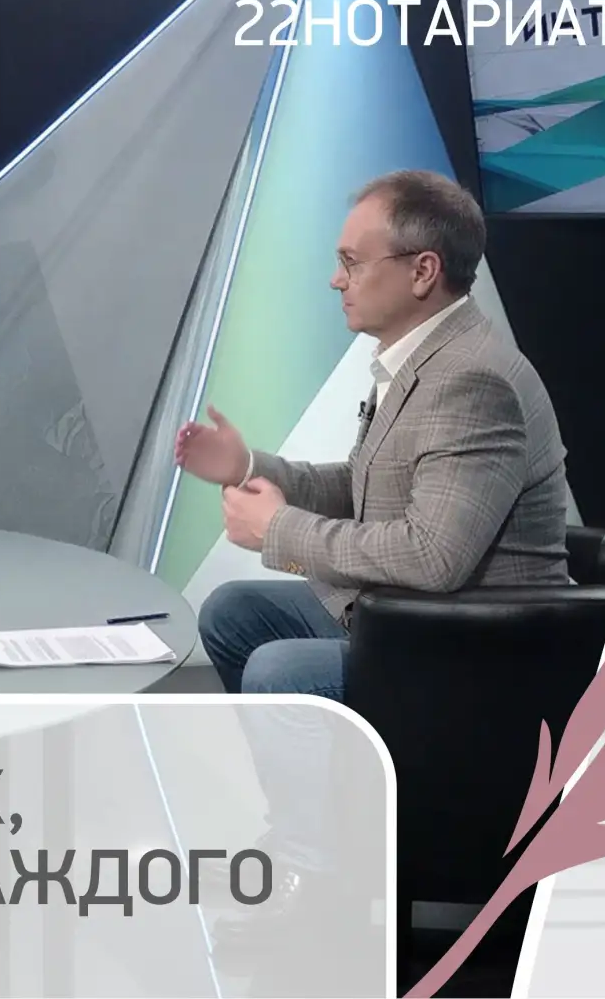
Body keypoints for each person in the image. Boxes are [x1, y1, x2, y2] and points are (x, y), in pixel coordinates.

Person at [176, 169, 571, 697]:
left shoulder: (473, 380)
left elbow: (432, 556)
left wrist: (278, 530)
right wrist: (248, 467)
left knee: (278, 670)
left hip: (476, 650)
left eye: (351, 263)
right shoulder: (424, 356)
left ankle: (374, 753)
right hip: (409, 617)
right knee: (232, 612)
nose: (335, 280)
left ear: (422, 271)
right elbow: (364, 485)